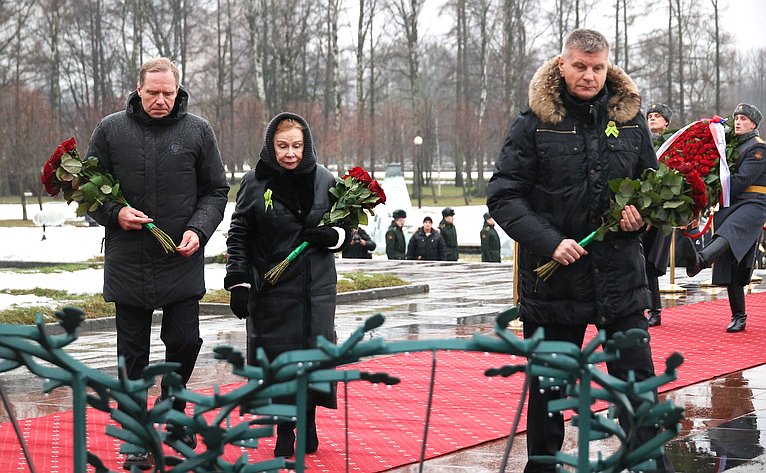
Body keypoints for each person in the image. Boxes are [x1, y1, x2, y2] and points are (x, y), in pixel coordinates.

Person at [487, 29, 674, 473]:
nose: (589, 76)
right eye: (580, 67)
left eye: (597, 67)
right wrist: (549, 242)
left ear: (608, 66)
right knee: (550, 392)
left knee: (637, 386)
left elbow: (652, 187)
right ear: (562, 64)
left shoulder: (631, 120)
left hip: (621, 278)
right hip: (555, 282)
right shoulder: (533, 122)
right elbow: (504, 195)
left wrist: (641, 216)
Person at [86, 57, 229, 470]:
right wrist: (115, 213)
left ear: (178, 90)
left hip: (180, 258)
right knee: (131, 356)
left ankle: (171, 405)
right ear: (138, 89)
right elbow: (90, 189)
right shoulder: (111, 130)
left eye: (168, 93)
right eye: (153, 93)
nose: (161, 100)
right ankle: (134, 437)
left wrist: (199, 230)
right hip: (128, 260)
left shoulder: (198, 131)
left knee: (184, 341)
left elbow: (216, 191)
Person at [224, 112, 351, 458]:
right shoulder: (255, 182)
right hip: (272, 289)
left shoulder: (326, 180)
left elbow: (348, 230)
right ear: (271, 145)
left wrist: (334, 236)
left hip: (315, 290)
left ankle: (307, 419)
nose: (290, 153)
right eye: (282, 146)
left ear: (306, 145)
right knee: (280, 361)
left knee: (313, 359)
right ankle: (284, 429)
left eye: (296, 145)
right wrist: (237, 281)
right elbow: (239, 235)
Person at [681, 103, 766, 333]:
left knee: (730, 233)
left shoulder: (758, 149)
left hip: (754, 204)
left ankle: (700, 261)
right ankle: (738, 314)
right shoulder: (730, 145)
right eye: (736, 118)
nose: (737, 122)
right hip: (733, 203)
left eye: (743, 119)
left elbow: (740, 181)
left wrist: (709, 189)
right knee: (731, 261)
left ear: (754, 124)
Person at [643, 103, 674, 326]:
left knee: (653, 260)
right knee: (641, 259)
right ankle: (647, 306)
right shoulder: (642, 142)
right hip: (642, 206)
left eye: (657, 116)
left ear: (667, 122)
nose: (652, 119)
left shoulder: (674, 144)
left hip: (664, 208)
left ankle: (655, 309)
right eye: (650, 116)